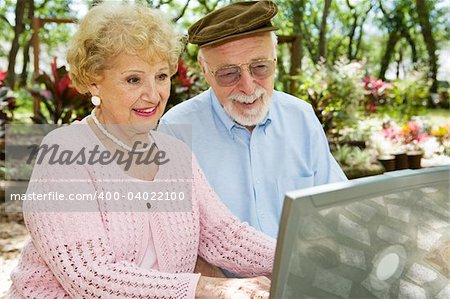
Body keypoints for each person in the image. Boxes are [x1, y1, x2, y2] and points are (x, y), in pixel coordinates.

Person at [8, 3, 275, 298]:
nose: (153, 94)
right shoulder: (63, 153)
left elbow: (224, 236)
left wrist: (303, 253)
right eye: (134, 79)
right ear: (94, 82)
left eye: (161, 76)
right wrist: (204, 287)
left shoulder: (175, 154)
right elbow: (92, 278)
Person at [159, 0, 347, 239]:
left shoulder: (301, 117)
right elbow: (176, 239)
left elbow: (336, 206)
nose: (248, 88)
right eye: (228, 74)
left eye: (260, 67)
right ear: (204, 70)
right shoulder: (176, 130)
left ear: (275, 59)